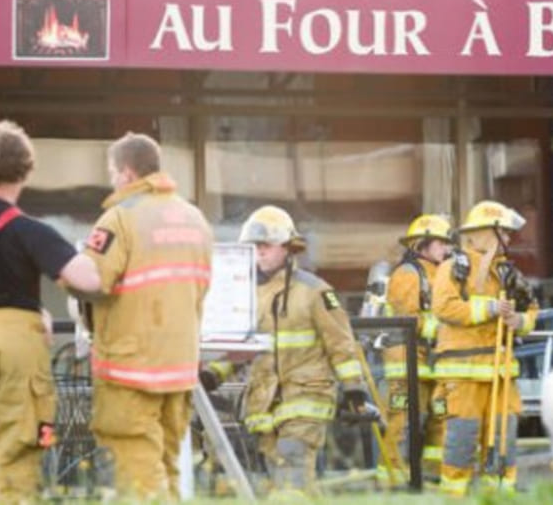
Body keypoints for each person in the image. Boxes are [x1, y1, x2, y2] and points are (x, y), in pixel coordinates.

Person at [83, 132, 213, 499]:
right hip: (180, 366)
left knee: (137, 469)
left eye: (112, 171)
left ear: (126, 173)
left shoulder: (119, 219)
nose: (112, 180)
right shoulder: (195, 219)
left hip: (130, 368)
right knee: (168, 466)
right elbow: (201, 288)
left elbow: (92, 281)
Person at [0, 120, 101, 502]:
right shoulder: (28, 231)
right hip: (16, 346)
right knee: (21, 445)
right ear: (25, 170)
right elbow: (86, 279)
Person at [240, 205, 367, 497]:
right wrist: (213, 372)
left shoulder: (316, 291)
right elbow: (242, 346)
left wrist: (353, 388)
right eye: (254, 246)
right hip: (265, 402)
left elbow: (341, 342)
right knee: (285, 481)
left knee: (292, 464)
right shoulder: (246, 294)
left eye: (266, 245)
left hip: (307, 397)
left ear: (287, 248)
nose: (259, 252)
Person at [431, 200, 538, 496]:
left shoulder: (507, 274)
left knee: (504, 443)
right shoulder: (454, 269)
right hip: (463, 376)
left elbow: (532, 310)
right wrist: (490, 309)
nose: (508, 239)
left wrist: (519, 320)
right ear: (488, 233)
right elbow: (444, 307)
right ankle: (454, 498)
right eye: (503, 232)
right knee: (462, 443)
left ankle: (500, 498)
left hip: (500, 376)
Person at [378, 214, 452, 484]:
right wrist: (448, 328)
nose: (447, 249)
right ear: (422, 244)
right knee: (403, 420)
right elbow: (408, 319)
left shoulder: (439, 273)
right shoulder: (407, 274)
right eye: (441, 243)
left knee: (438, 417)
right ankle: (393, 479)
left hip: (430, 361)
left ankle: (431, 474)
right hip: (405, 363)